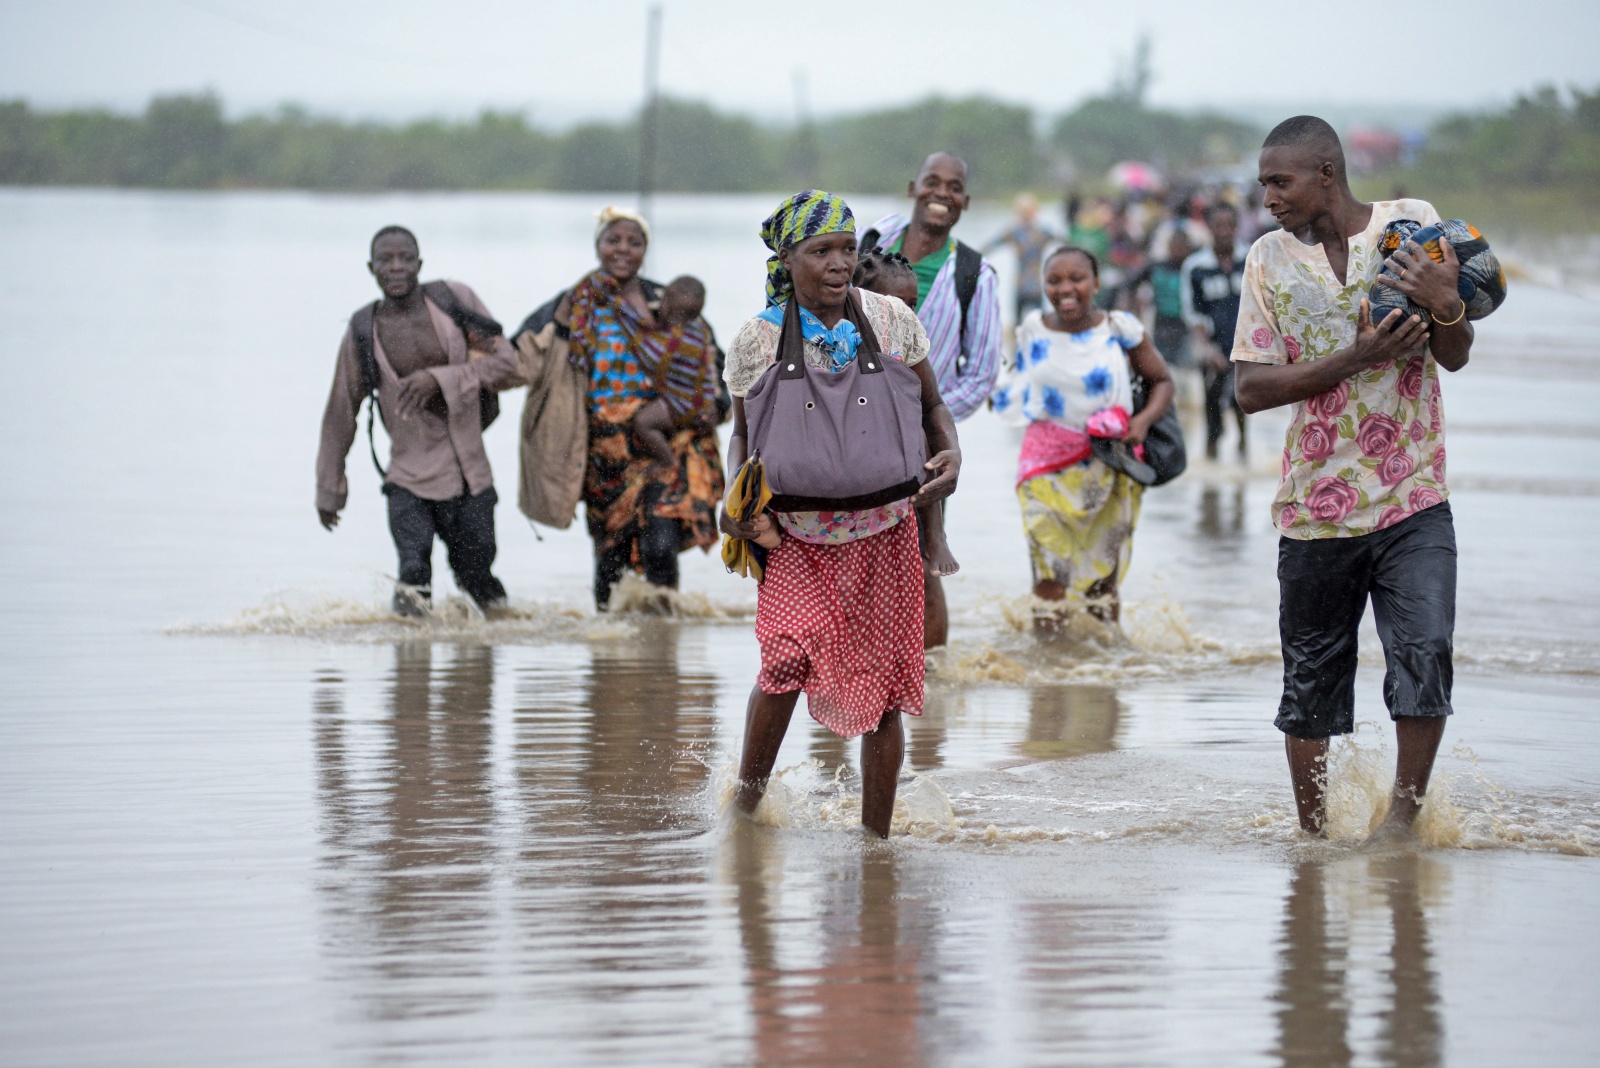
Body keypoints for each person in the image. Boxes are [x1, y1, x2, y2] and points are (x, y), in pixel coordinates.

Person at [1232, 116, 1475, 840]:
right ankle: (1314, 839)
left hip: (1414, 497)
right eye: (1264, 184)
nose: (1270, 197)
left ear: (1326, 174)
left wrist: (1448, 301)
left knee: (1425, 654)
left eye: (1281, 181)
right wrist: (1356, 360)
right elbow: (1249, 389)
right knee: (1310, 689)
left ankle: (1402, 822)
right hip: (1315, 508)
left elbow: (1455, 354)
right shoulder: (1267, 261)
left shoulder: (1412, 224)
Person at [720, 191, 960, 838]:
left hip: (886, 533)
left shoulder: (889, 320)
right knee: (784, 665)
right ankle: (744, 810)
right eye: (819, 251)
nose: (837, 264)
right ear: (788, 258)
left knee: (884, 695)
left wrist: (952, 454)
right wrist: (731, 498)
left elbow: (933, 406)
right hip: (794, 537)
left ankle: (874, 843)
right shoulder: (759, 337)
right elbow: (742, 435)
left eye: (846, 250)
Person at [315, 225, 518, 616]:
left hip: (469, 476)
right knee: (412, 572)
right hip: (407, 477)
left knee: (477, 578)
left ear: (419, 264)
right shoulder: (363, 329)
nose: (396, 268)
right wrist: (329, 488)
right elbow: (342, 410)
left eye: (405, 259)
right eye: (385, 260)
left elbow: (507, 363)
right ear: (370, 268)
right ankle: (409, 670)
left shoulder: (452, 300)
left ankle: (485, 661)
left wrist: (439, 380)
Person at [990, 246, 1173, 627]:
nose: (1065, 288)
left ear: (1096, 283)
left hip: (1110, 466)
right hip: (1044, 470)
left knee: (1101, 585)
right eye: (1054, 280)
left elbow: (1162, 382)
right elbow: (1012, 386)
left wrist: (1141, 422)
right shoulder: (1031, 329)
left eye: (1077, 278)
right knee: (1049, 577)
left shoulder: (1120, 328)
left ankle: (1102, 672)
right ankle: (1048, 673)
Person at [554, 209, 726, 610]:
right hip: (606, 452)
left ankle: (663, 640)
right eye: (613, 240)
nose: (623, 249)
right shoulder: (577, 305)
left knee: (660, 545)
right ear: (598, 246)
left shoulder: (669, 301)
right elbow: (528, 353)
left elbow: (709, 362)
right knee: (609, 556)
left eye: (634, 242)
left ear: (645, 250)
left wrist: (716, 409)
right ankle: (613, 659)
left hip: (664, 444)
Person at [862, 152, 1001, 648]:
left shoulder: (973, 275)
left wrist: (926, 423)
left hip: (917, 440)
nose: (941, 193)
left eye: (954, 187)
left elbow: (981, 374)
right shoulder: (871, 241)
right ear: (912, 187)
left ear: (965, 201)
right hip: (847, 422)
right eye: (932, 182)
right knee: (843, 553)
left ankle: (930, 679)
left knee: (920, 559)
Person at [854, 245, 960, 596]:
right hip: (859, 445)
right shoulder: (845, 337)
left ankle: (935, 534)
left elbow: (931, 401)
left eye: (911, 305)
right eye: (894, 302)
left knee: (921, 439)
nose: (903, 312)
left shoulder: (907, 339)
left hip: (903, 441)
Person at [1183, 201, 1252, 460]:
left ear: (1237, 226)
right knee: (1211, 402)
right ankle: (1212, 453)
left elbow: (1264, 303)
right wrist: (1207, 348)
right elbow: (1193, 313)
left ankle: (1244, 450)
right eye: (1218, 225)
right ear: (1208, 228)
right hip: (1213, 345)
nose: (1224, 231)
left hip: (1246, 344)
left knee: (1242, 400)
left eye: (1229, 225)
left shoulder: (1250, 259)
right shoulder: (1195, 266)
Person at [629, 275, 710, 471]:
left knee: (643, 423)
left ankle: (666, 460)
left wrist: (634, 331)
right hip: (703, 402)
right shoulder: (700, 330)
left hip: (682, 403)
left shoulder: (676, 342)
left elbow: (650, 357)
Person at [982, 193, 1056, 325]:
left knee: (1035, 323)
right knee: (1025, 324)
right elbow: (988, 247)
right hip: (1024, 285)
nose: (1026, 215)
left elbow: (989, 246)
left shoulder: (1040, 232)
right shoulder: (1018, 232)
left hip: (1033, 285)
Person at [1135, 226, 1194, 375]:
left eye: (1182, 246)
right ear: (1169, 246)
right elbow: (1130, 284)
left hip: (1186, 327)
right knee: (1163, 368)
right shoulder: (1156, 267)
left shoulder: (1193, 269)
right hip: (1161, 324)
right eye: (1175, 245)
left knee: (1187, 370)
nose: (1178, 250)